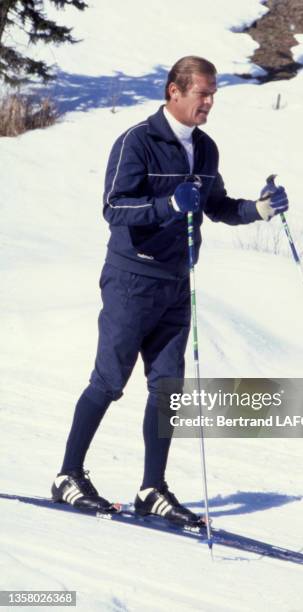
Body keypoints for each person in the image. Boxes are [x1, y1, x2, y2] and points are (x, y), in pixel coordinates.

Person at [51, 56, 289, 526]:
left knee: (168, 389)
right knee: (109, 381)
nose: (209, 103)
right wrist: (167, 204)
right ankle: (67, 476)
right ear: (173, 92)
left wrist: (259, 210)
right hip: (132, 280)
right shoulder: (136, 142)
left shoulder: (205, 149)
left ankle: (151, 488)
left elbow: (216, 205)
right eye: (203, 93)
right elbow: (115, 207)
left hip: (178, 282)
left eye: (213, 94)